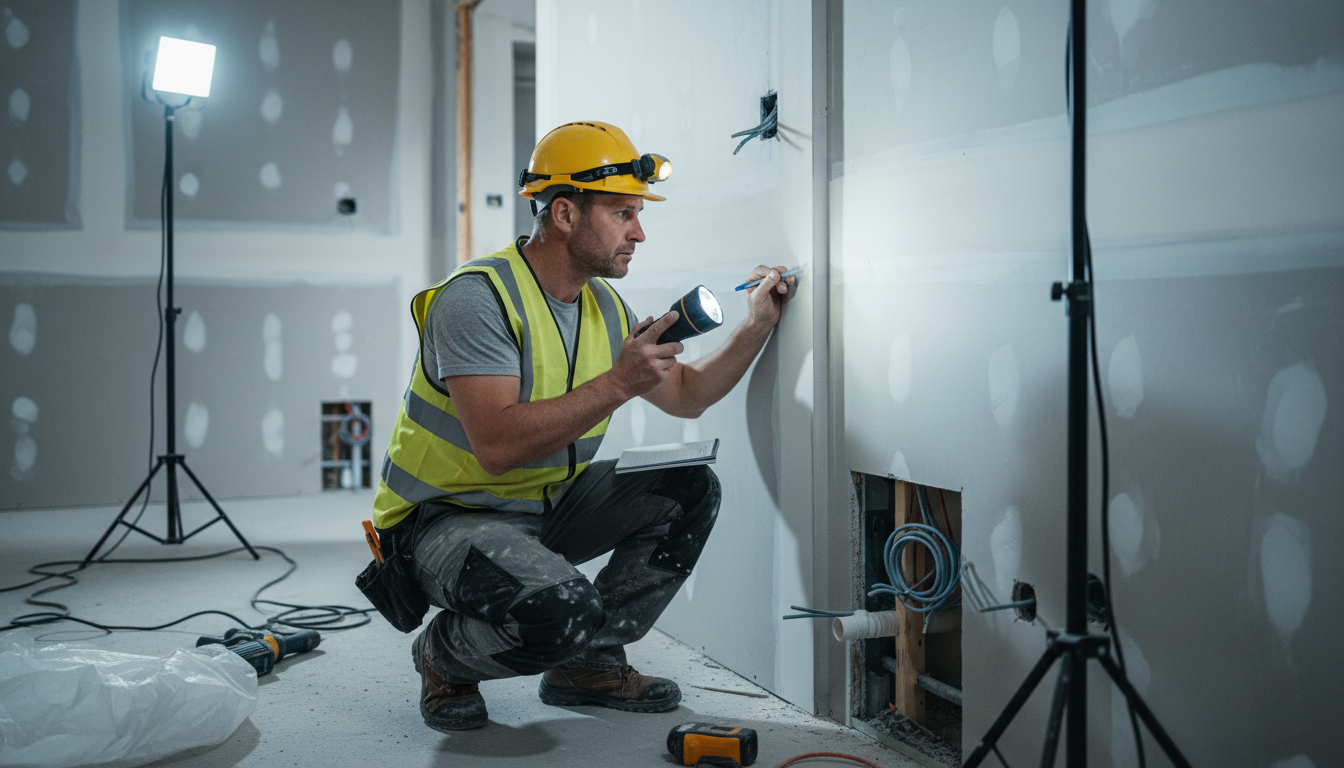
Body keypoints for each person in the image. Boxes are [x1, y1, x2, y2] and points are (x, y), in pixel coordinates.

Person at [369, 120, 795, 732]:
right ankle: (443, 655)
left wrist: (756, 327)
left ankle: (588, 665)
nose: (639, 232)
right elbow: (495, 446)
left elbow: (687, 397)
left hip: (540, 508)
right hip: (444, 521)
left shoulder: (603, 306)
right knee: (561, 610)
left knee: (687, 487)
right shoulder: (476, 298)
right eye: (624, 214)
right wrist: (619, 381)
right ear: (565, 214)